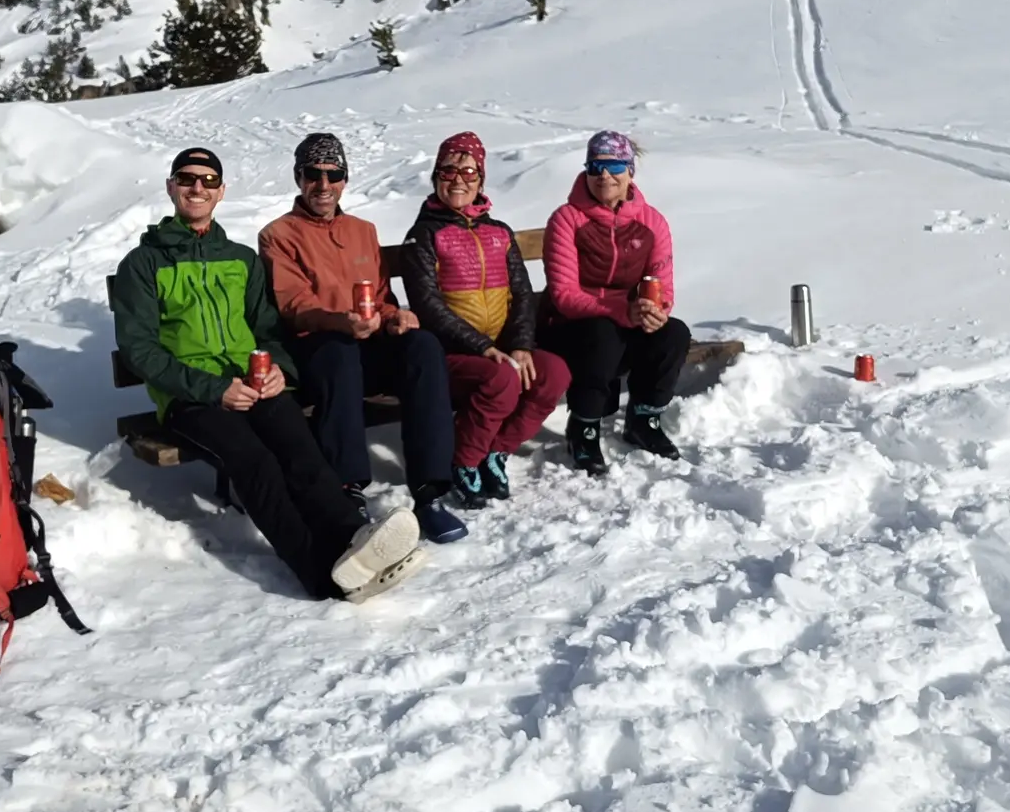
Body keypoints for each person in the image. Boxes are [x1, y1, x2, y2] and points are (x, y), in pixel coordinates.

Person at [111, 146, 425, 603]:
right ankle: (319, 573)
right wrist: (213, 389)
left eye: (208, 180)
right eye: (187, 179)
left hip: (254, 383)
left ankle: (356, 541)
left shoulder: (240, 259)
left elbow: (268, 329)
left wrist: (279, 368)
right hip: (191, 396)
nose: (197, 188)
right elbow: (140, 349)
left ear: (221, 192)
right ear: (171, 187)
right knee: (254, 462)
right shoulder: (142, 265)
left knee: (301, 448)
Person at [258, 133, 469, 545]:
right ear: (299, 178)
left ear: (345, 179)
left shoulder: (362, 231)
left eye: (333, 174)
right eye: (313, 174)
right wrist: (340, 322)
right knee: (339, 354)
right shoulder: (279, 234)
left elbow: (382, 298)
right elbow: (294, 303)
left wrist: (394, 317)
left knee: (423, 346)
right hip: (318, 348)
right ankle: (348, 489)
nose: (323, 184)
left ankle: (429, 490)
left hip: (366, 344)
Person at [399, 132, 572, 508]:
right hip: (450, 356)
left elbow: (522, 294)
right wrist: (483, 348)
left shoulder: (499, 232)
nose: (458, 180)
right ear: (436, 177)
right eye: (448, 171)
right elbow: (428, 306)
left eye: (468, 172)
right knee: (501, 378)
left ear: (480, 180)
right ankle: (463, 460)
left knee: (553, 374)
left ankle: (496, 450)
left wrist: (521, 345)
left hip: (501, 349)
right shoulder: (423, 236)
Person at [539, 130, 689, 475]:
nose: (604, 175)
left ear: (630, 171)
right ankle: (584, 427)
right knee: (602, 334)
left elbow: (661, 283)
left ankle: (644, 419)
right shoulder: (567, 219)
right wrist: (621, 311)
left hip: (627, 320)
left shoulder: (651, 222)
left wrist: (656, 310)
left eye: (614, 166)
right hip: (569, 326)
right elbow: (564, 295)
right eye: (595, 167)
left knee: (673, 334)